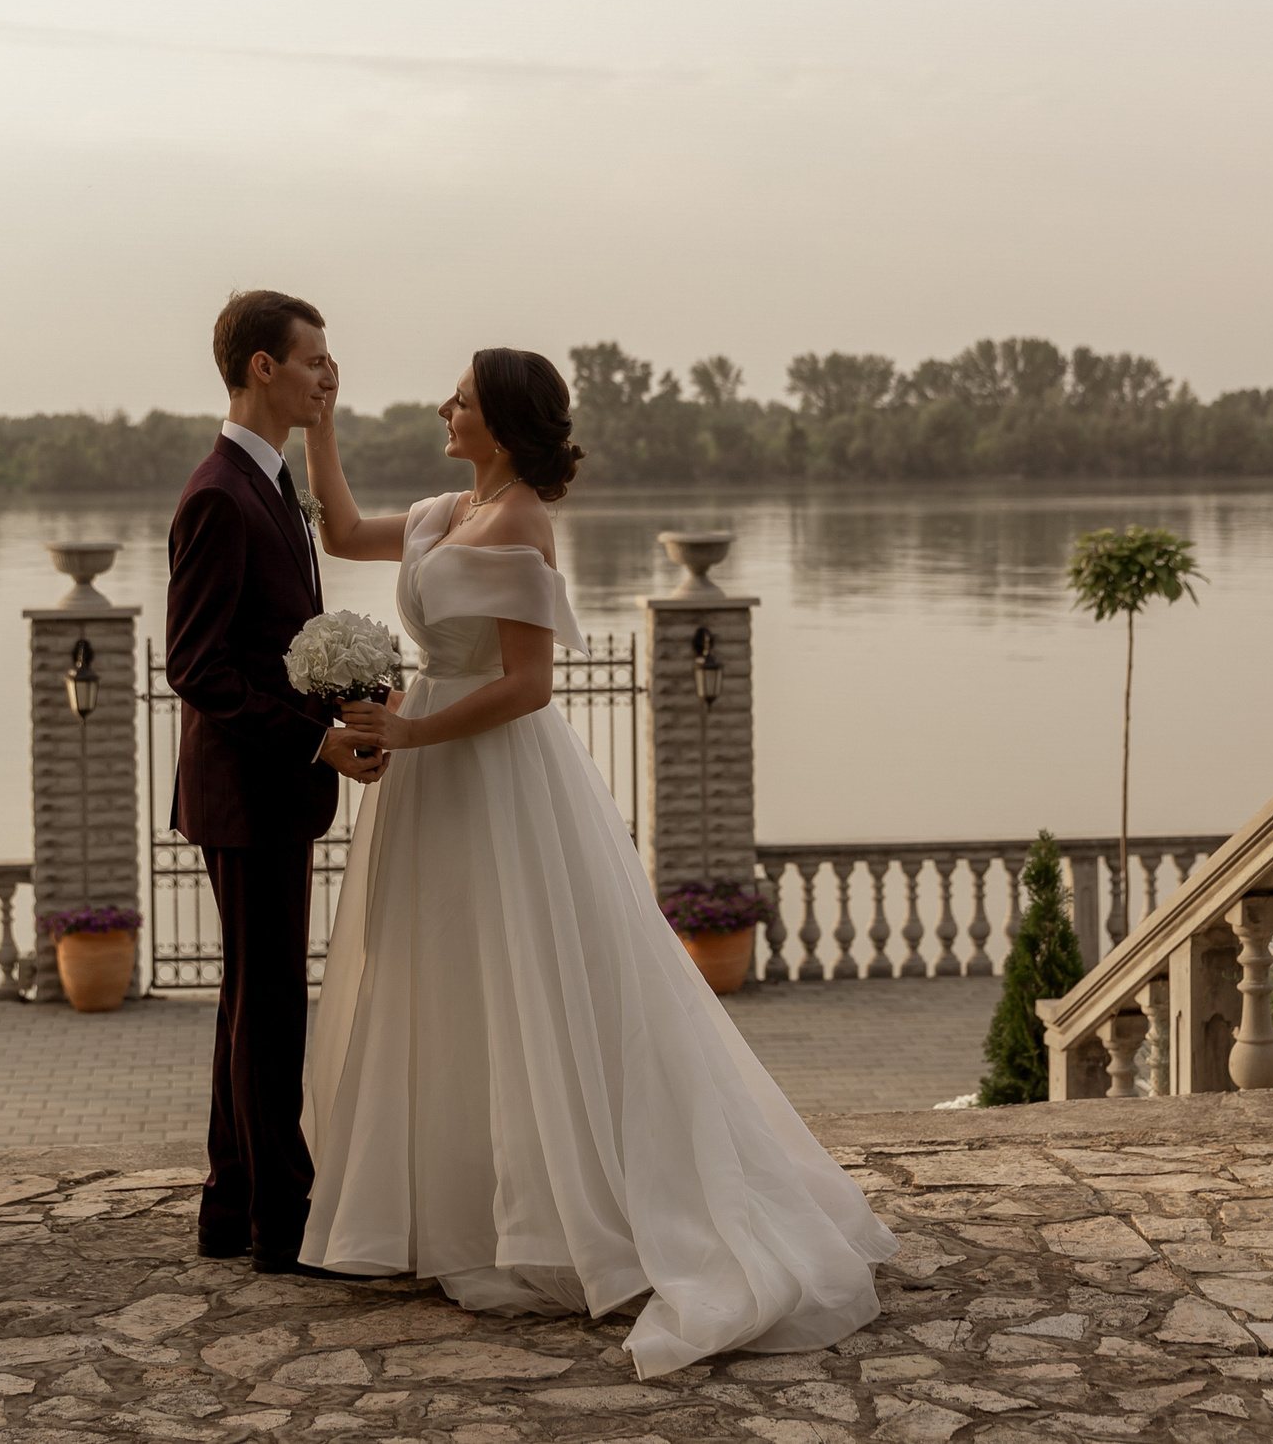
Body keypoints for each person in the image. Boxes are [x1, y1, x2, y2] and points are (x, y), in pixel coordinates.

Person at [294, 346, 896, 1376]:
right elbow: (343, 531)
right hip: (430, 772)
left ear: (505, 421)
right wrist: (319, 422)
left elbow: (529, 684)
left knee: (530, 976)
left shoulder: (525, 519)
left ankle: (568, 1213)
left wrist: (411, 736)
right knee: (442, 976)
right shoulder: (442, 512)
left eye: (464, 400)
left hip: (493, 773)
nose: (446, 408)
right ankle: (454, 1207)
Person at [165, 289, 387, 1277]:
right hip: (248, 792)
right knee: (269, 1007)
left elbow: (276, 644)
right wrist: (313, 743)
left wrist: (355, 695)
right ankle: (280, 1226)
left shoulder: (271, 483)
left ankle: (233, 1206)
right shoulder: (218, 493)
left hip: (267, 786)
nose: (325, 375)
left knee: (253, 999)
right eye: (312, 360)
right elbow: (198, 668)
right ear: (263, 367)